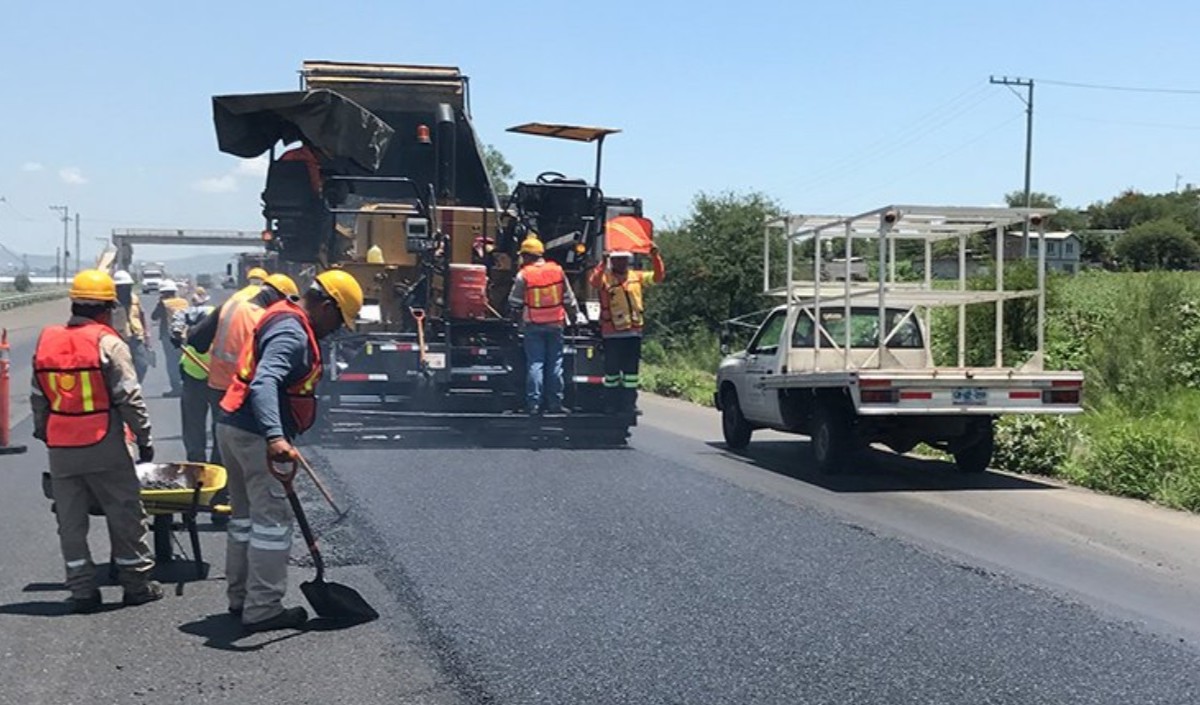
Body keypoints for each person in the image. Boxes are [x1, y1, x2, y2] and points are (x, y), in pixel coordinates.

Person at [217, 270, 363, 632]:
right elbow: (265, 381)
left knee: (244, 519)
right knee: (272, 524)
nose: (336, 330)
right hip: (254, 435)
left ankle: (241, 597)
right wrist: (275, 436)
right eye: (339, 321)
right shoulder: (293, 333)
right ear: (327, 306)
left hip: (233, 426)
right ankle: (263, 609)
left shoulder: (285, 318)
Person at [30, 270, 162, 613]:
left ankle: (82, 592)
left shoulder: (47, 341)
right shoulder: (108, 343)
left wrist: (47, 432)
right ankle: (136, 586)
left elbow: (38, 398)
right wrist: (144, 439)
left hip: (61, 448)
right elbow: (129, 397)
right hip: (104, 444)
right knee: (125, 514)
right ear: (106, 309)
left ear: (74, 304)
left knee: (70, 523)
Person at [186, 272, 298, 467]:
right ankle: (228, 480)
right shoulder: (268, 320)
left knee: (222, 438)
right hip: (245, 391)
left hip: (218, 386)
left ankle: (216, 479)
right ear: (279, 298)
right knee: (245, 445)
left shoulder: (229, 306)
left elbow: (197, 341)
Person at [507, 235, 581, 415]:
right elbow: (569, 299)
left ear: (526, 256)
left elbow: (514, 302)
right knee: (555, 364)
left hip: (534, 325)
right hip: (556, 324)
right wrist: (575, 317)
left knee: (536, 364)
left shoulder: (524, 274)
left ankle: (534, 404)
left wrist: (513, 320)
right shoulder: (557, 271)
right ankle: (555, 403)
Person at [589, 245, 665, 412]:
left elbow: (658, 277)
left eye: (624, 259)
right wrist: (602, 263)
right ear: (612, 261)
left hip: (633, 333)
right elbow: (594, 282)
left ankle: (629, 404)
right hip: (612, 334)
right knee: (612, 373)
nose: (621, 262)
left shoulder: (636, 277)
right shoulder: (605, 278)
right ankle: (611, 404)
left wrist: (655, 257)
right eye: (617, 259)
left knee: (631, 374)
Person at [172, 287, 216, 463]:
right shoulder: (209, 312)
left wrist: (177, 331)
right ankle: (202, 465)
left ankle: (212, 466)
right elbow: (181, 315)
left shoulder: (212, 313)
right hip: (197, 374)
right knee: (200, 425)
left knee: (203, 425)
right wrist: (176, 331)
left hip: (214, 377)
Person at [110, 270, 151, 382]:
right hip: (118, 339)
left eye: (127, 286)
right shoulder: (111, 301)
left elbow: (142, 315)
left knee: (142, 364)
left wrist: (147, 334)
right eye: (121, 287)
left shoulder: (134, 298)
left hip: (136, 337)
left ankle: (136, 385)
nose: (125, 289)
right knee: (121, 367)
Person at [151, 279, 188, 397]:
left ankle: (176, 388)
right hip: (184, 335)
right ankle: (186, 386)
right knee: (184, 361)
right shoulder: (183, 302)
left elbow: (154, 316)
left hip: (169, 336)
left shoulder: (164, 303)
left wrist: (159, 302)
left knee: (172, 362)